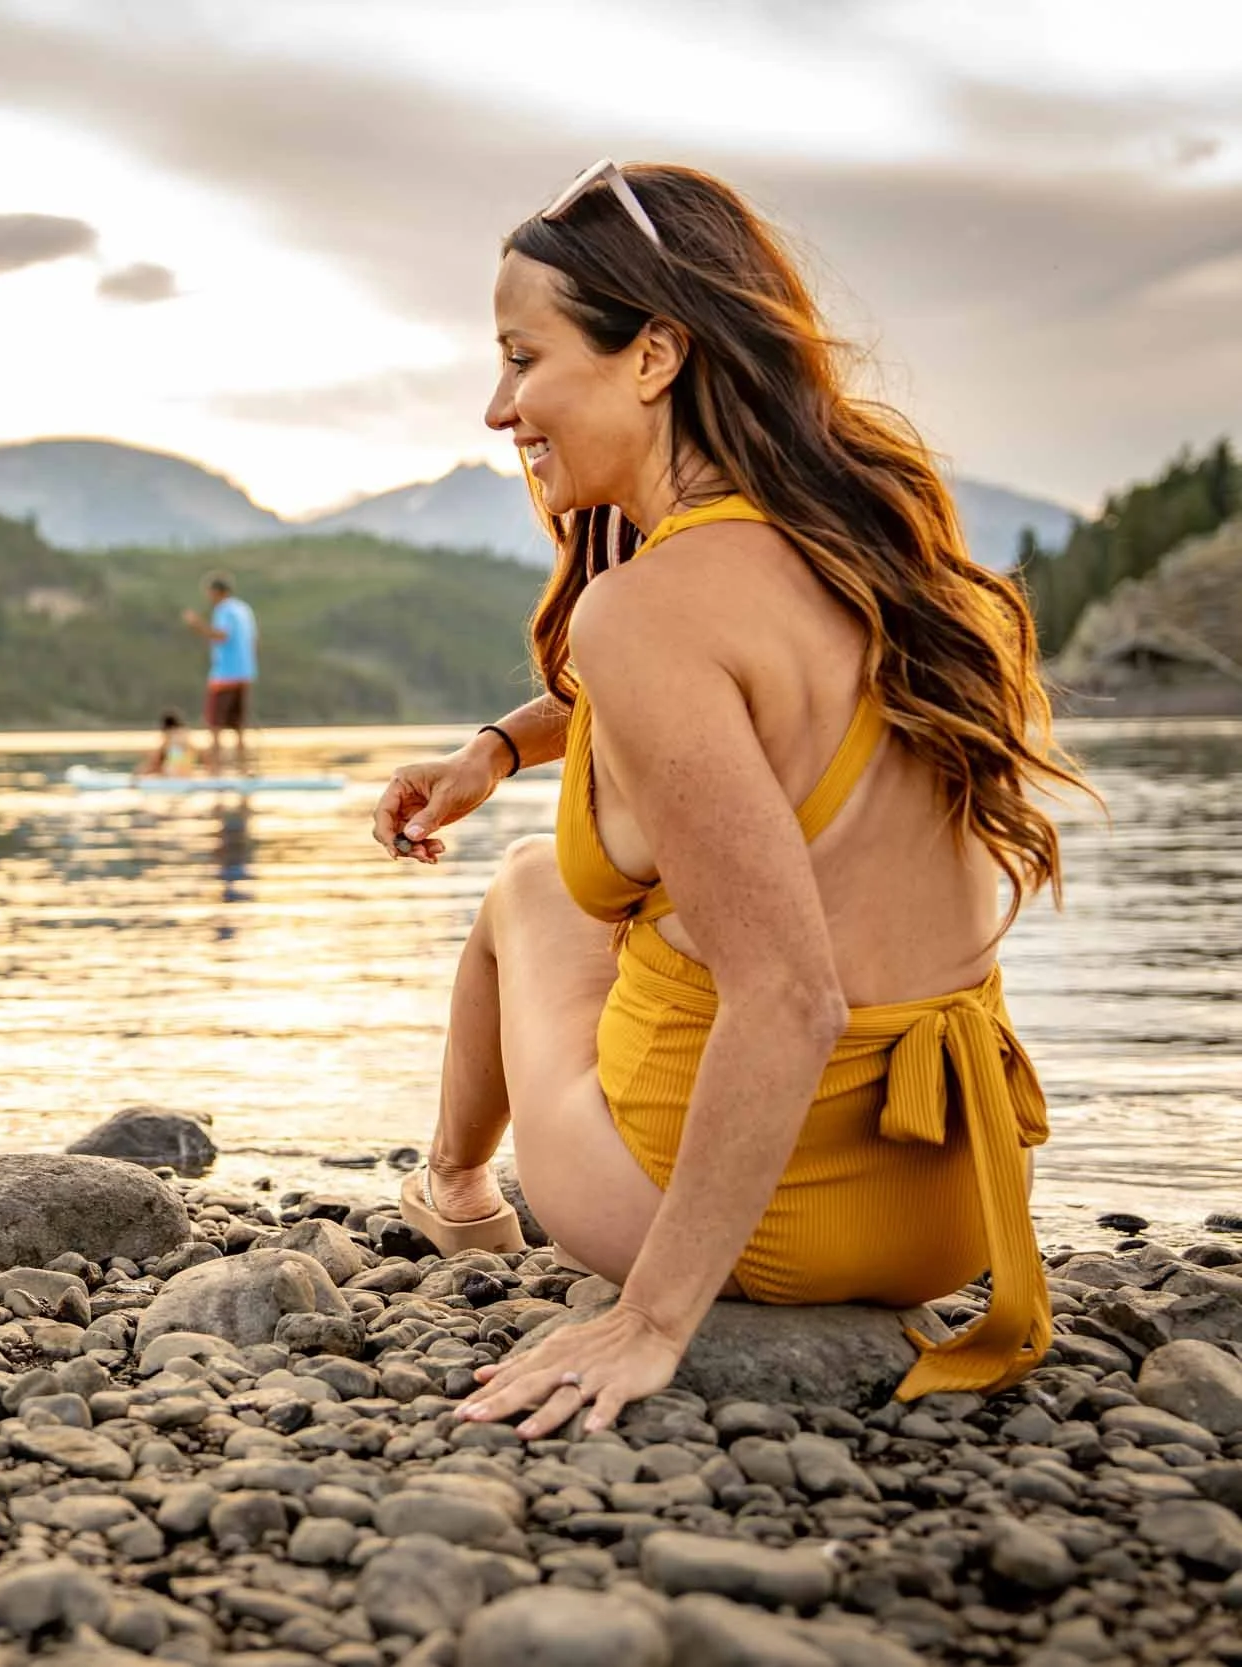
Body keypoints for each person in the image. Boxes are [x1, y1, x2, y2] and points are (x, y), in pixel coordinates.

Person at [370, 161, 1088, 1435]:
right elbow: (728, 714)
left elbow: (792, 993)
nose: (498, 409)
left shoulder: (642, 606)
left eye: (521, 358)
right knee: (612, 899)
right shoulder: (873, 550)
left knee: (534, 889)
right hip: (950, 1202)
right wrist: (498, 747)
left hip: (767, 1218)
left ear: (653, 354)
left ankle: (457, 1189)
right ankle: (459, 1192)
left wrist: (650, 1318)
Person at [182, 574, 257, 773]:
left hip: (225, 675)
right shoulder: (244, 609)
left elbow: (222, 635)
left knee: (215, 725)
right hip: (244, 673)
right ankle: (243, 768)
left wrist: (196, 625)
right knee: (239, 726)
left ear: (216, 592)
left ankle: (216, 770)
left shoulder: (224, 610)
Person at [139, 709, 197, 777]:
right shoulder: (185, 737)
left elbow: (157, 761)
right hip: (183, 773)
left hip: (175, 774)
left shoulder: (172, 740)